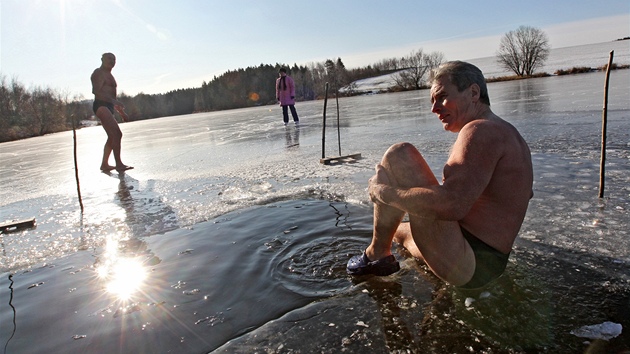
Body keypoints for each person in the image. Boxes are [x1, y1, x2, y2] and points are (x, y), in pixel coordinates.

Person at [347, 61, 533, 289]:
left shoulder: (480, 130)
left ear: (474, 93)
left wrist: (384, 193)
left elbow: (451, 205)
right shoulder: (505, 131)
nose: (434, 108)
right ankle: (386, 245)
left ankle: (376, 254)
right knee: (401, 232)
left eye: (442, 97)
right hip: (486, 260)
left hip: (470, 264)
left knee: (400, 154)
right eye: (432, 101)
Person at [91, 52, 133, 172]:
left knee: (111, 136)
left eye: (114, 59)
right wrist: (113, 102)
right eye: (109, 59)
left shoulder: (110, 75)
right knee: (117, 134)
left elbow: (111, 97)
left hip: (108, 106)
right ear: (102, 59)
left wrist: (121, 112)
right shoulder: (98, 73)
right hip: (101, 105)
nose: (112, 61)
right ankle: (119, 164)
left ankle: (104, 164)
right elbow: (96, 92)